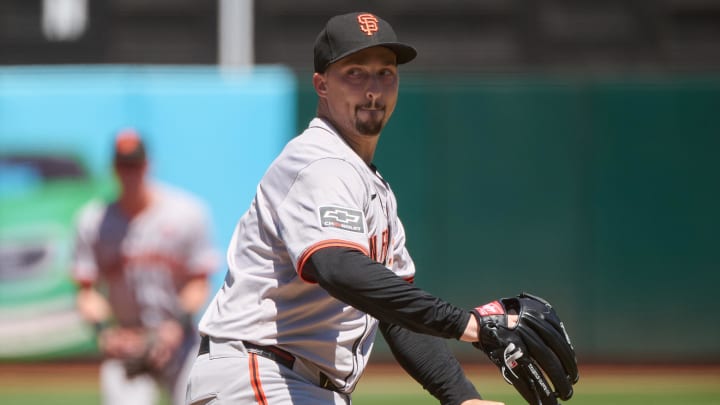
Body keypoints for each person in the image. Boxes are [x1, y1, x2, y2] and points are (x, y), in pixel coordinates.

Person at [186, 12, 510, 405]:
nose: (373, 89)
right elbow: (337, 267)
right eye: (355, 73)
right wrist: (465, 323)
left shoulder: (370, 185)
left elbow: (395, 315)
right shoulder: (319, 162)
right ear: (321, 85)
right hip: (262, 374)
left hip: (293, 383)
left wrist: (462, 396)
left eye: (385, 73)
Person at [72, 128, 220, 405]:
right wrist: (104, 332)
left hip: (179, 339)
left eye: (135, 164)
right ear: (114, 168)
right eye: (124, 165)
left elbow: (199, 281)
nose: (130, 172)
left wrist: (176, 325)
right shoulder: (93, 221)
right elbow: (86, 290)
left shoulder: (187, 212)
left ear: (148, 164)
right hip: (127, 341)